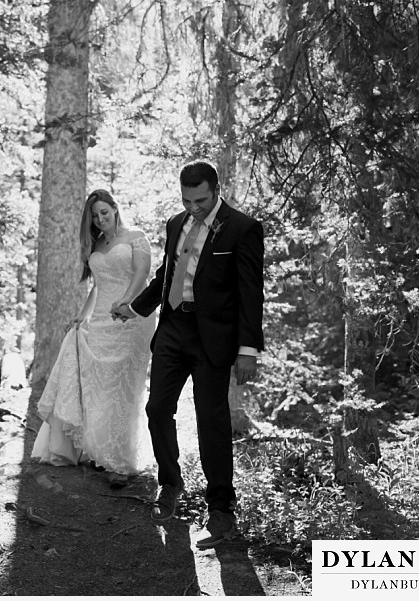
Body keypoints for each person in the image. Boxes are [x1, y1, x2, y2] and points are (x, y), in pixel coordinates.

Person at [113, 160, 264, 548]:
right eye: (186, 199)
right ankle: (170, 484)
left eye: (200, 199)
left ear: (216, 189)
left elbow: (250, 292)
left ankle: (221, 511)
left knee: (211, 421)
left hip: (212, 338)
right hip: (173, 329)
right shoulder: (176, 223)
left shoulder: (243, 228)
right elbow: (169, 271)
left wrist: (248, 350)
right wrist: (136, 307)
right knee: (157, 408)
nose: (193, 207)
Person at [32, 189, 156, 482]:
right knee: (99, 388)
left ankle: (121, 463)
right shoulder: (96, 244)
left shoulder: (136, 237)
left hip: (133, 319)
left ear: (115, 208)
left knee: (124, 387)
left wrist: (126, 302)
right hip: (101, 321)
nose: (101, 219)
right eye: (95, 216)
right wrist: (82, 316)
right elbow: (97, 287)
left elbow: (142, 275)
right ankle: (100, 451)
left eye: (104, 212)